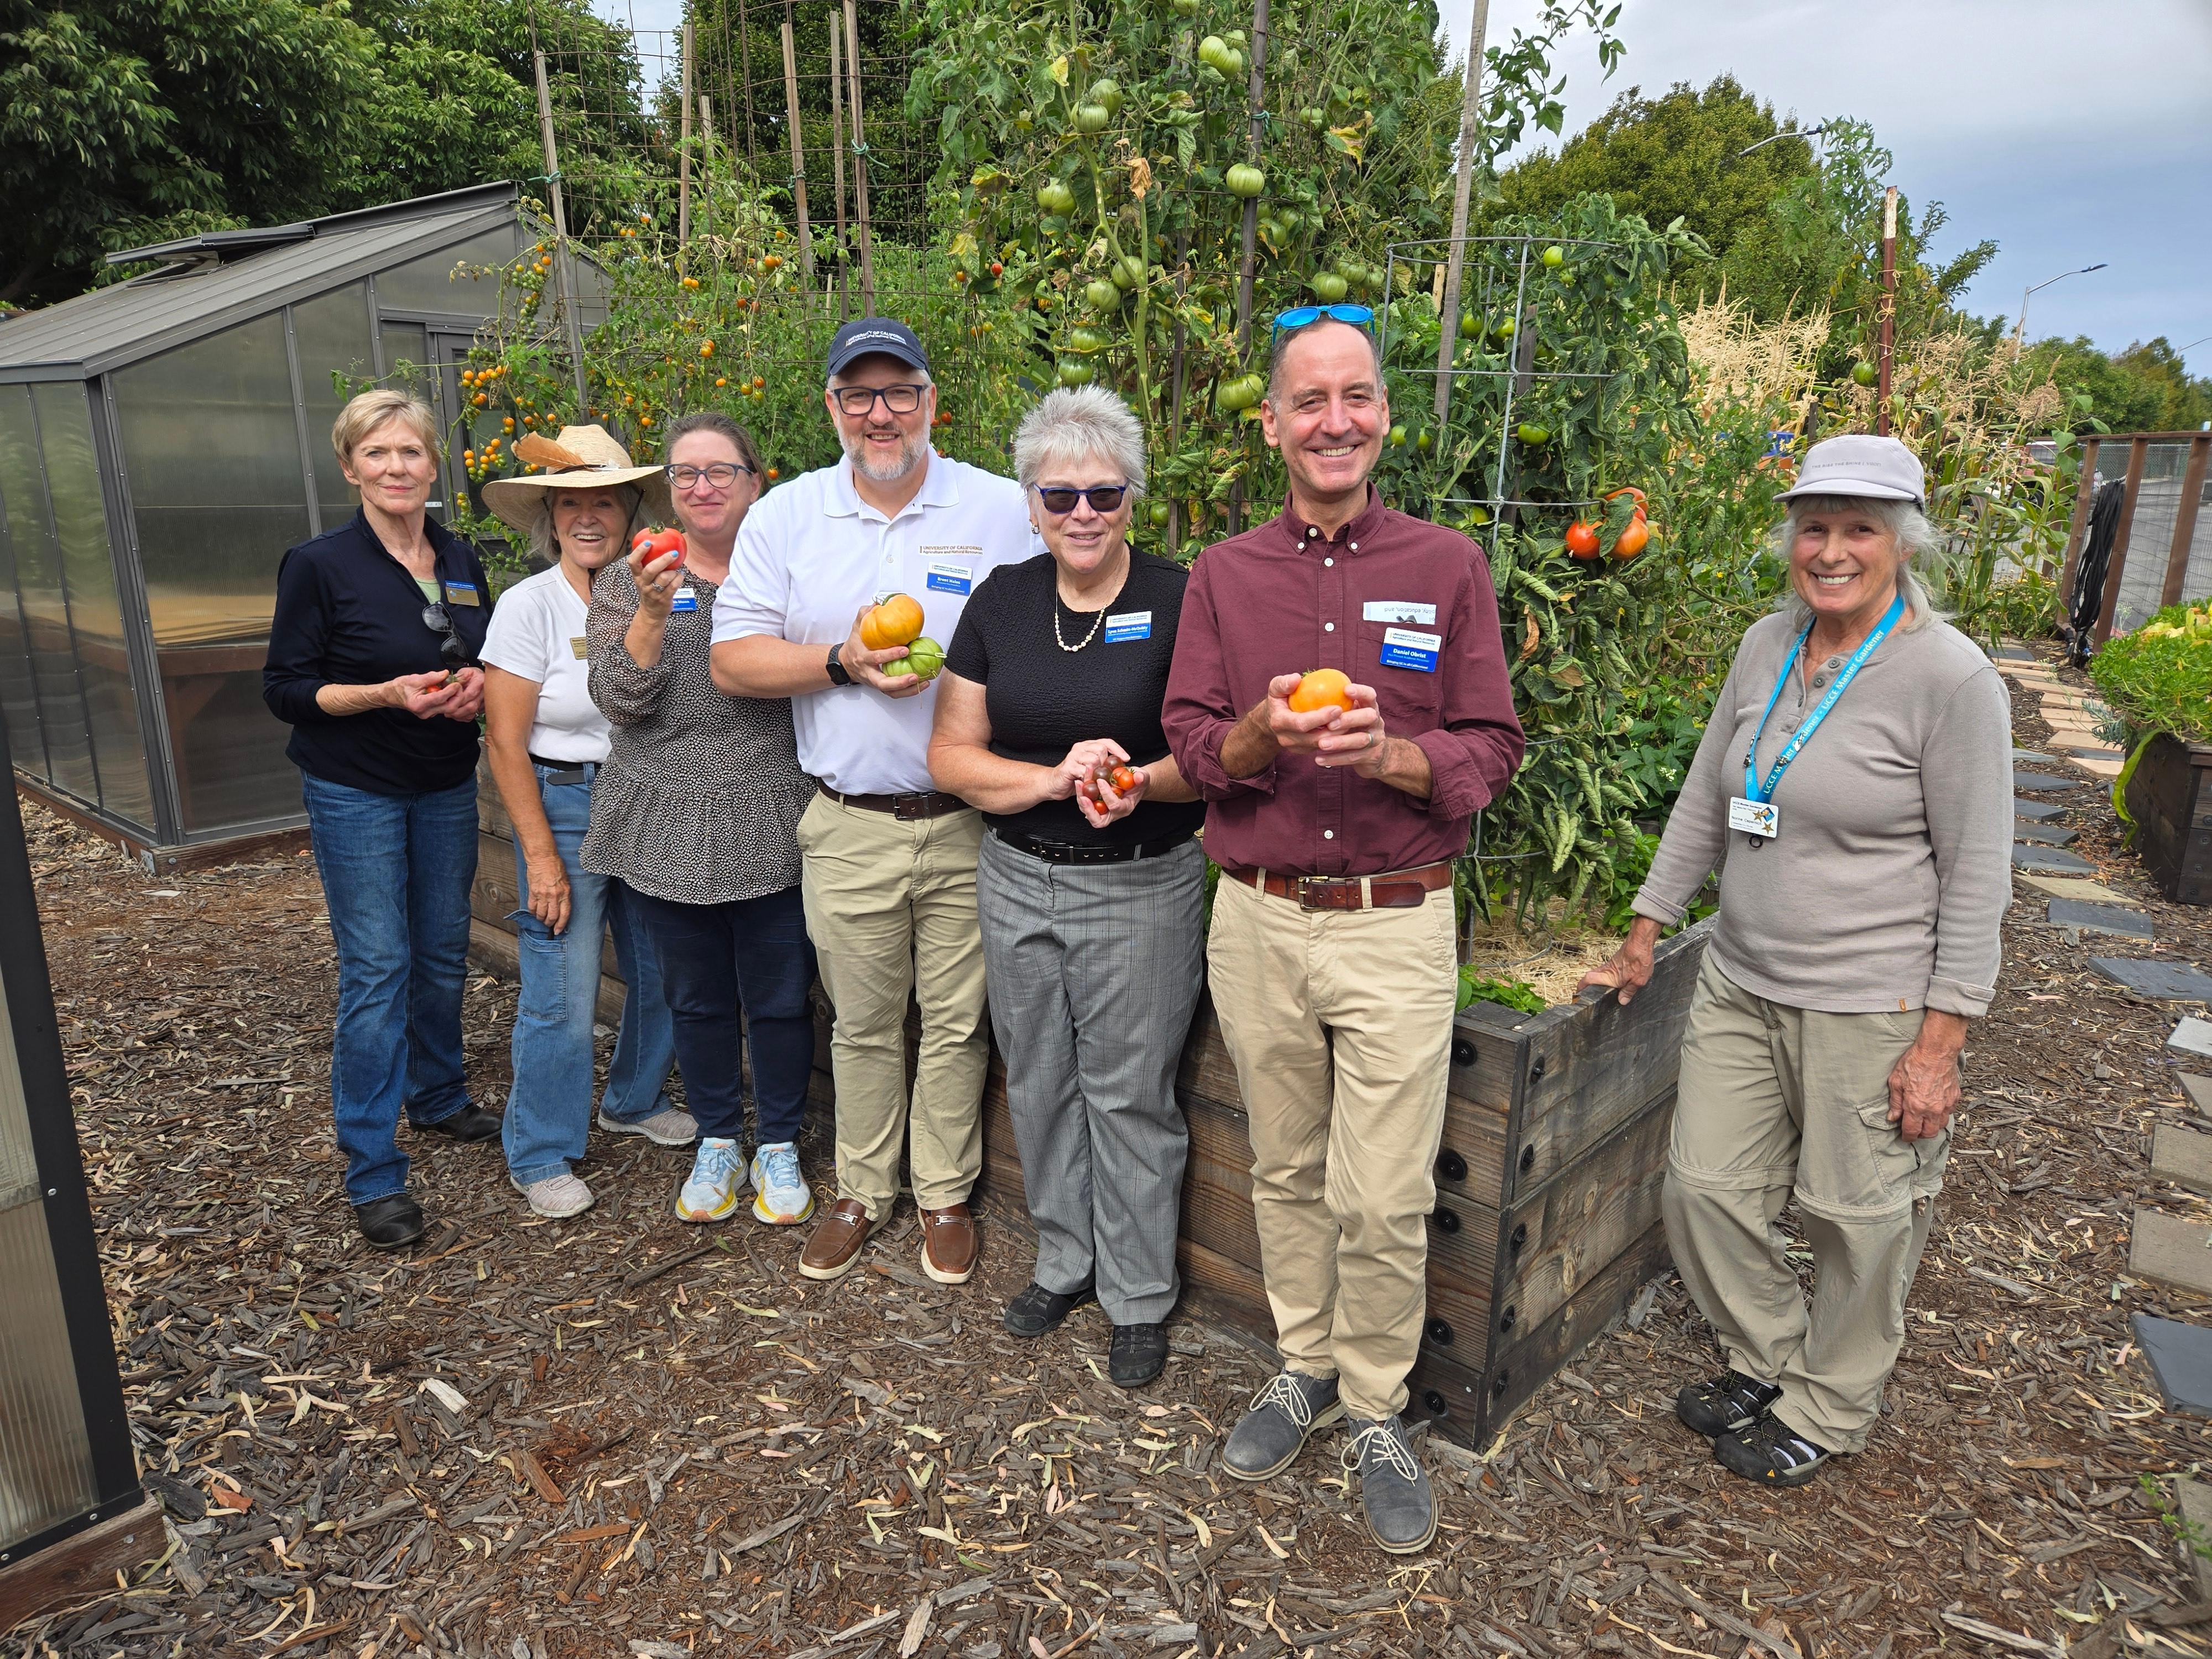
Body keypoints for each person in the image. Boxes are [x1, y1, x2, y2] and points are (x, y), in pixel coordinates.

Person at [1579, 434, 2011, 1488]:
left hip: (1871, 1000)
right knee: (1705, 1189)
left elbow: (1979, 873)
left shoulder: (1950, 681)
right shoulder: (1768, 643)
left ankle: (1834, 1400)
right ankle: (1775, 1360)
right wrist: (1648, 923)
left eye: (1860, 529)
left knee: (1856, 1217)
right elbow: (1706, 797)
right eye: (1813, 527)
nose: (1830, 550)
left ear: (1905, 543)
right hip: (1739, 975)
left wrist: (1941, 1041)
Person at [1161, 307, 1525, 1553]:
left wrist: (1401, 759)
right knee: (1279, 1167)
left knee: (1378, 1194)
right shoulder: (1223, 575)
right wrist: (1262, 736)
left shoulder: (1446, 568)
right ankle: (1302, 1366)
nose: (1333, 419)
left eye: (1354, 396)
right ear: (1271, 424)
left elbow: (1492, 743)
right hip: (1258, 921)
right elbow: (1196, 745)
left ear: (1381, 416)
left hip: (1391, 924)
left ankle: (1375, 1407)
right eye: (1307, 400)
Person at [711, 317, 1034, 1286]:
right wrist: (840, 663)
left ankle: (942, 1191)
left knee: (956, 1020)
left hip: (972, 818)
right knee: (857, 1021)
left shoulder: (1003, 508)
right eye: (860, 395)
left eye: (901, 394)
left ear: (933, 404)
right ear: (833, 409)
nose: (881, 414)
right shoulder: (790, 517)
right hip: (848, 821)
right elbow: (732, 661)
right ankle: (862, 1187)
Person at [927, 387, 1206, 1389]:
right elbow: (952, 756)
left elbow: (1211, 755)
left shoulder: (1182, 600)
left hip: (1141, 885)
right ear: (1030, 500)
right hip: (1017, 875)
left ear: (1134, 498)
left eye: (1105, 494)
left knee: (1130, 1094)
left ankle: (1137, 1295)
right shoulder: (1001, 599)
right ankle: (1065, 1260)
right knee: (1039, 1078)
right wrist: (1052, 779)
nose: (1083, 514)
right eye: (1061, 496)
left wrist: (1135, 783)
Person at [263, 389, 499, 1251]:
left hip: (443, 781)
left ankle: (437, 1098)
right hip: (356, 785)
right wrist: (384, 694)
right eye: (378, 454)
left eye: (411, 453)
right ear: (350, 466)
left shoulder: (460, 554)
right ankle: (372, 1168)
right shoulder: (321, 565)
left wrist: (474, 685)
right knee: (377, 968)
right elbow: (285, 691)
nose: (397, 468)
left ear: (435, 465)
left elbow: (478, 652)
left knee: (441, 949)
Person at [580, 411, 820, 1228]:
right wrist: (653, 609)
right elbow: (618, 699)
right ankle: (722, 1135)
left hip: (773, 805)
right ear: (668, 493)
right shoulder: (627, 579)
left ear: (759, 483)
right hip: (665, 813)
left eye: (721, 471)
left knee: (783, 991)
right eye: (685, 475)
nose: (703, 487)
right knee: (697, 996)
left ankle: (779, 1140)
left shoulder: (791, 574)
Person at [478, 427, 691, 1220]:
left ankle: (632, 1100)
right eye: (571, 503)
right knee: (563, 988)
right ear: (550, 518)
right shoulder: (528, 606)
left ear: (633, 509)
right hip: (565, 803)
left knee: (667, 965)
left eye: (603, 499)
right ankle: (540, 1151)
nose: (587, 517)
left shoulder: (669, 594)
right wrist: (538, 855)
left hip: (653, 800)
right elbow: (504, 740)